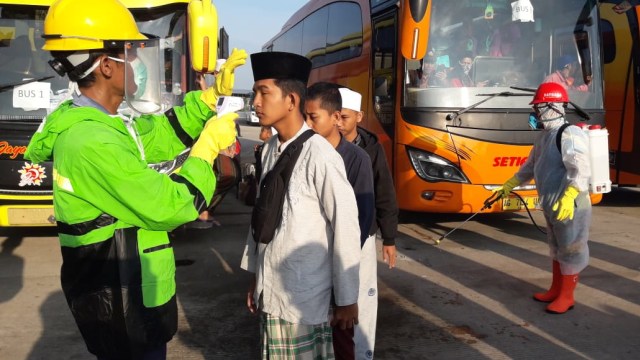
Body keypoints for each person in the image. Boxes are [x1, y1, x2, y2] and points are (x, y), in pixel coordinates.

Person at [23, 0, 238, 358]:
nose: (137, 63)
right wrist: (207, 149)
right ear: (106, 65)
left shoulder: (104, 124)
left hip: (131, 295)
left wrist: (210, 98)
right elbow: (171, 205)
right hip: (122, 304)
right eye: (130, 53)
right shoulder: (90, 141)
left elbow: (160, 134)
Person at [240, 51, 361, 359]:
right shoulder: (269, 149)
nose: (255, 102)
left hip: (303, 297)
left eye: (264, 92)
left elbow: (345, 226)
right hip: (272, 291)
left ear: (291, 101)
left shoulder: (320, 155)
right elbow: (263, 217)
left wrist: (347, 299)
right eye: (255, 92)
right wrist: (257, 276)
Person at [494, 82, 591, 314]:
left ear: (553, 107)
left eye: (538, 108)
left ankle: (567, 296)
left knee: (571, 248)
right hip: (551, 203)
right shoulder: (544, 137)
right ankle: (556, 289)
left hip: (572, 203)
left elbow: (581, 167)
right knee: (556, 247)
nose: (535, 113)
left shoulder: (570, 133)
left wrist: (568, 196)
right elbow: (530, 167)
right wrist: (509, 184)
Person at [305, 82, 375, 359]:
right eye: (305, 117)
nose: (308, 125)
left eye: (313, 118)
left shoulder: (357, 159)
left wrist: (343, 275)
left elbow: (361, 218)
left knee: (341, 333)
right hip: (311, 265)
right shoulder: (304, 151)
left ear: (336, 118)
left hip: (338, 264)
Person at [337, 87, 399, 359]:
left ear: (359, 117)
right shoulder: (319, 145)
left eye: (345, 117)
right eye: (335, 116)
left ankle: (362, 353)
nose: (338, 122)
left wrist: (390, 238)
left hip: (363, 236)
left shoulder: (371, 150)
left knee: (363, 296)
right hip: (330, 235)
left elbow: (384, 192)